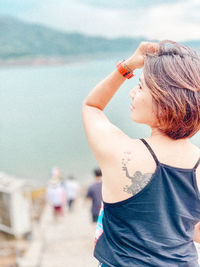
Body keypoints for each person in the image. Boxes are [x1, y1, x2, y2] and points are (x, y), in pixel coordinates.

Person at [82, 41, 200, 266]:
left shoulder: (121, 153)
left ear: (165, 100)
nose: (132, 93)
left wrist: (128, 65)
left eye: (140, 86)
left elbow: (92, 106)